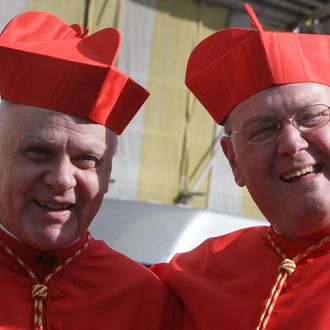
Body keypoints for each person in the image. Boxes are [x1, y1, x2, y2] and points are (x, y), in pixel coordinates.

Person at [152, 3, 330, 329]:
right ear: (233, 160)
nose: (292, 143)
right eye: (263, 129)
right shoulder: (189, 278)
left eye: (313, 116)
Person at [0, 11, 182, 330]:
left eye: (86, 159)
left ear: (107, 174)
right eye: (39, 152)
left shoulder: (148, 299)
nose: (61, 179)